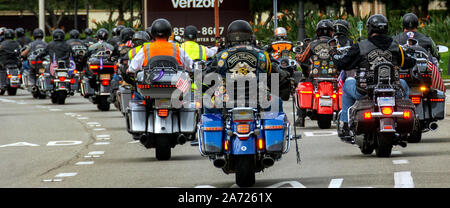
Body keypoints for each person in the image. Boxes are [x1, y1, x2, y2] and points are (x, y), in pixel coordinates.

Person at [332, 14, 416, 141]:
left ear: (370, 29)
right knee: (403, 83)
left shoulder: (360, 46)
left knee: (347, 83)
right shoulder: (395, 46)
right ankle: (406, 116)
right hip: (392, 90)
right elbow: (408, 62)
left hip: (365, 91)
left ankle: (345, 124)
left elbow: (343, 64)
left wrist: (334, 54)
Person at [204, 20, 290, 114]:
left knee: (208, 104)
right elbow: (278, 76)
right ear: (251, 37)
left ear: (228, 38)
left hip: (227, 100)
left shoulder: (221, 56)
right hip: (258, 99)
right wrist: (287, 75)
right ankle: (273, 127)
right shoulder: (262, 55)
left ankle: (214, 127)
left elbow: (207, 77)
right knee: (277, 103)